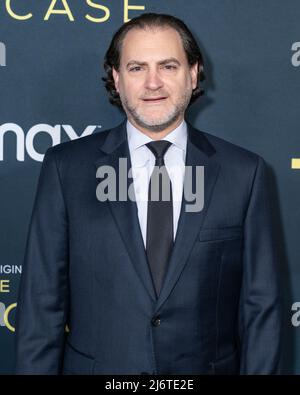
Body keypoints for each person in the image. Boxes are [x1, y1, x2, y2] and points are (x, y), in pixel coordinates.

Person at [15, 12, 282, 375]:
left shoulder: (244, 173)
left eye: (168, 66)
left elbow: (261, 307)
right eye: (137, 68)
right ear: (117, 78)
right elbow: (41, 304)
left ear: (192, 74)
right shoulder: (66, 169)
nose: (152, 83)